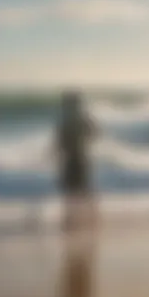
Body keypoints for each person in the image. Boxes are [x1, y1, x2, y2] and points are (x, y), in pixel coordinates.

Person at [56, 90, 98, 231]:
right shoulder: (79, 119)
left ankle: (73, 218)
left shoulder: (68, 121)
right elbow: (93, 132)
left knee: (73, 188)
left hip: (73, 158)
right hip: (79, 157)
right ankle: (87, 216)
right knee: (81, 187)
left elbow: (59, 142)